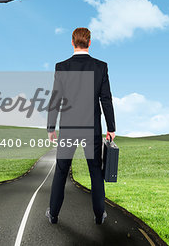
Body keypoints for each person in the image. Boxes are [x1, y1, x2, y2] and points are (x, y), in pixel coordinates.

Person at [46, 27, 116, 225]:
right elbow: (106, 99)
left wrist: (51, 127)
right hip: (91, 127)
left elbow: (56, 98)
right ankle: (99, 215)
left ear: (72, 42)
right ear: (90, 42)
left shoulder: (62, 67)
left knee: (61, 170)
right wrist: (111, 128)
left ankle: (53, 214)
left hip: (68, 127)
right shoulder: (101, 67)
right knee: (95, 171)